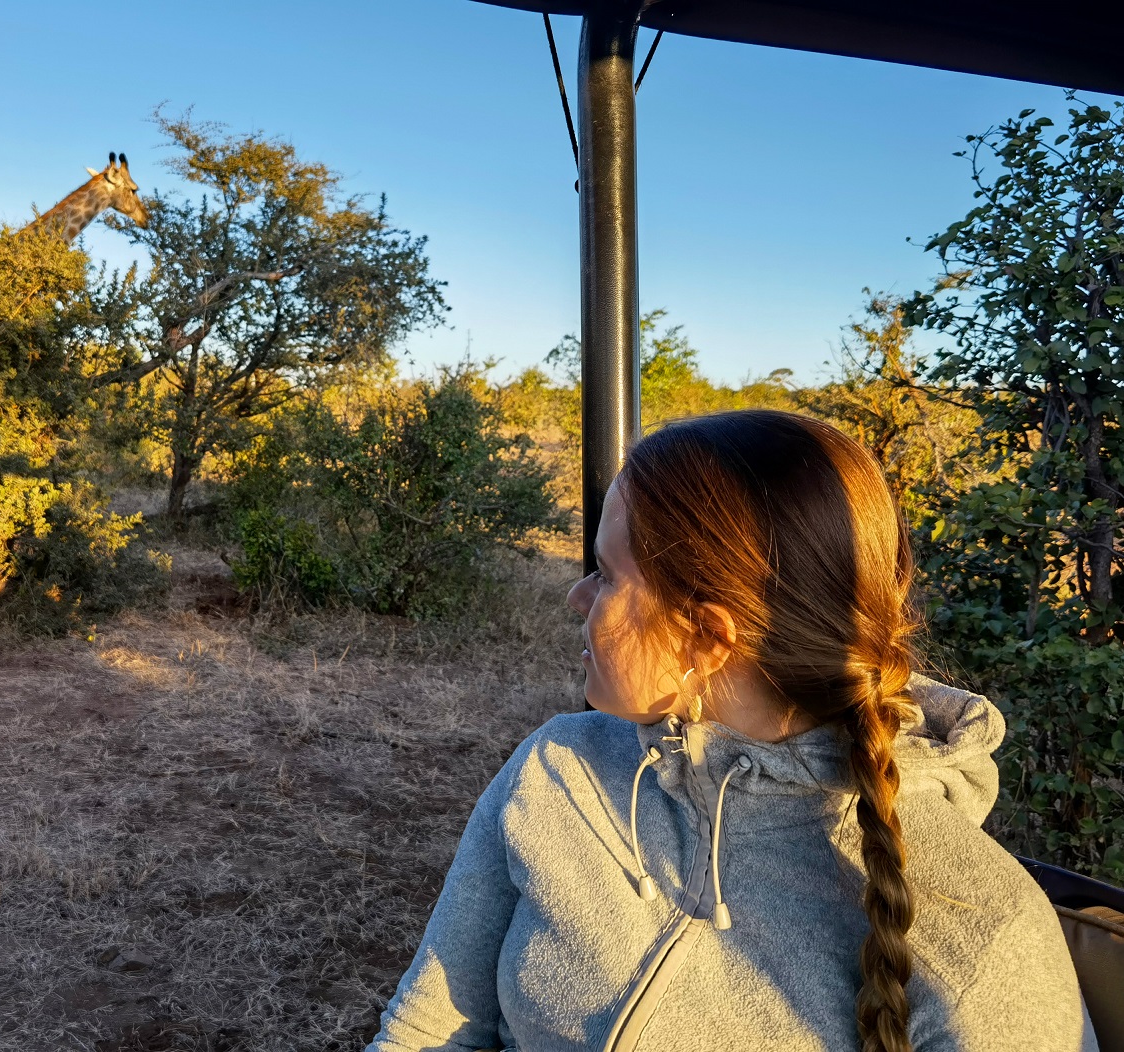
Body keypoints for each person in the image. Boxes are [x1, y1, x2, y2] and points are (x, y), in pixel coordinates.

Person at [364, 410, 1096, 1052]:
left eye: (607, 575)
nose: (575, 597)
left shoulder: (984, 935)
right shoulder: (559, 768)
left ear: (707, 638)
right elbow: (428, 1031)